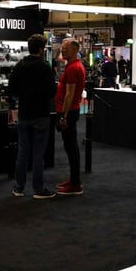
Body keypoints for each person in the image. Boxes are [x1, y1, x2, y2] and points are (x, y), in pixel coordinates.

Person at [6, 33, 57, 199]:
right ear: (41, 50)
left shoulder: (20, 65)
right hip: (40, 114)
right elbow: (52, 91)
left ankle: (18, 187)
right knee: (38, 154)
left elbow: (11, 90)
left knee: (22, 153)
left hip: (24, 113)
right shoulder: (45, 67)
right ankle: (38, 188)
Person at [55, 37, 86, 195]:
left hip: (69, 111)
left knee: (71, 147)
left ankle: (75, 184)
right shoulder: (72, 65)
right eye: (62, 47)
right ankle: (74, 180)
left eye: (66, 48)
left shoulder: (74, 68)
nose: (62, 50)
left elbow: (70, 94)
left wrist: (64, 116)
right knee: (69, 146)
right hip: (69, 110)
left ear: (75, 50)